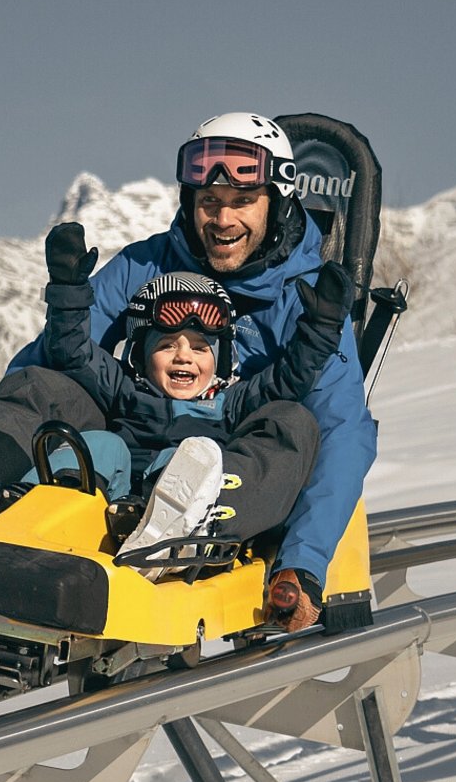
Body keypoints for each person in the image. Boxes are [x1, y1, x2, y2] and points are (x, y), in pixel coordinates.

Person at [0, 111, 376, 630]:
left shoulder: (310, 298)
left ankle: (189, 522)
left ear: (277, 203)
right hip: (129, 457)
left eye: (242, 203)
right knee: (48, 382)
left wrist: (304, 562)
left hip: (233, 470)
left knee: (293, 424)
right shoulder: (150, 265)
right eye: (209, 202)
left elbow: (342, 432)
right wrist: (65, 307)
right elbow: (59, 357)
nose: (223, 220)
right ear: (189, 201)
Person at [34, 221, 351, 581]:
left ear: (220, 360)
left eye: (201, 348)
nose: (184, 357)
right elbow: (72, 352)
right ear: (138, 354)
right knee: (102, 446)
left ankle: (183, 531)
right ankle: (29, 509)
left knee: (191, 458)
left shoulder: (230, 402)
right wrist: (68, 290)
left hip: (189, 528)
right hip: (113, 507)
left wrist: (322, 328)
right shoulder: (125, 389)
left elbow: (288, 378)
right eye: (167, 345)